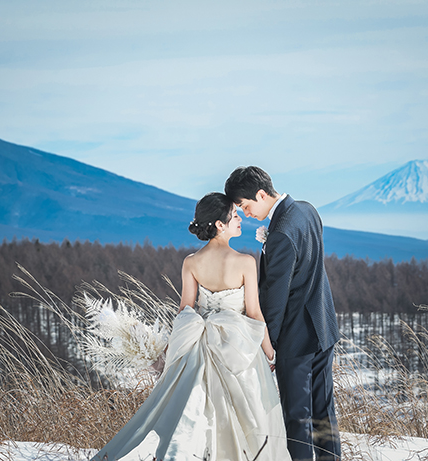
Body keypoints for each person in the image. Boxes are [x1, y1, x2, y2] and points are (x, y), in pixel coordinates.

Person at [92, 192, 292, 461]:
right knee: (247, 413)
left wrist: (173, 349)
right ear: (220, 225)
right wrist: (269, 352)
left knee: (193, 412)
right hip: (238, 348)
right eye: (234, 216)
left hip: (198, 345)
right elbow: (255, 313)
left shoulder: (191, 262)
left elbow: (186, 309)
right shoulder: (246, 262)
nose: (239, 220)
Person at [225, 166, 342, 461]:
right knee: (323, 412)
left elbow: (275, 300)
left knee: (297, 419)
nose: (247, 214)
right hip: (322, 327)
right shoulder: (307, 210)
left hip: (295, 337)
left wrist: (269, 346)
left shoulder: (279, 233)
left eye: (246, 205)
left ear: (262, 194)